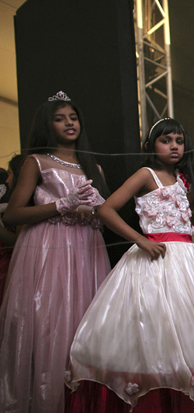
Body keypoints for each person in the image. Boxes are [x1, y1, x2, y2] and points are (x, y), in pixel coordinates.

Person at [66, 118, 194, 411]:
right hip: (156, 257)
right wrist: (141, 240)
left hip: (187, 262)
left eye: (179, 141)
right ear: (150, 145)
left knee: (190, 328)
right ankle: (157, 397)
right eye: (166, 140)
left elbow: (186, 223)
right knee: (156, 324)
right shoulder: (145, 174)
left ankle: (185, 394)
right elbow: (106, 209)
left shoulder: (182, 179)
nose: (174, 146)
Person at [0, 91, 111, 413]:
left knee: (87, 323)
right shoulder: (36, 162)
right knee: (49, 322)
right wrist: (61, 204)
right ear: (48, 125)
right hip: (49, 249)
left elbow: (103, 216)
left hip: (88, 250)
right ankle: (47, 399)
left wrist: (95, 212)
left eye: (73, 117)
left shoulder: (94, 167)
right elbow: (12, 215)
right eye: (60, 119)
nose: (69, 123)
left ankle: (84, 402)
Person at [0, 154, 24, 306]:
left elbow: (17, 242)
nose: (7, 180)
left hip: (10, 266)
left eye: (10, 174)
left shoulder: (23, 206)